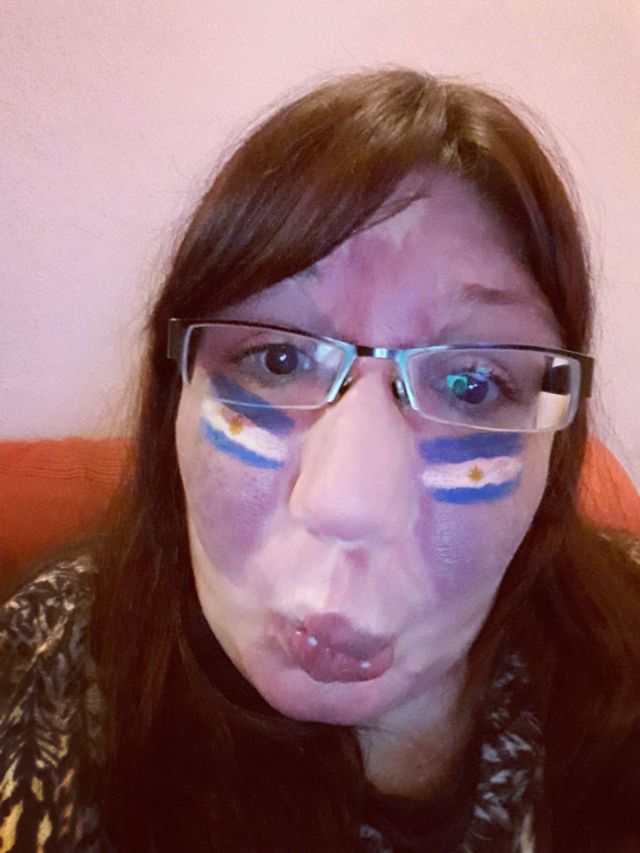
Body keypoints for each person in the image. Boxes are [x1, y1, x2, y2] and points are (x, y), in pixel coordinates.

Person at [1, 68, 639, 853]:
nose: (346, 502)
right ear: (176, 395)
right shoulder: (43, 673)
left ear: (556, 444)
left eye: (472, 384)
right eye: (276, 359)